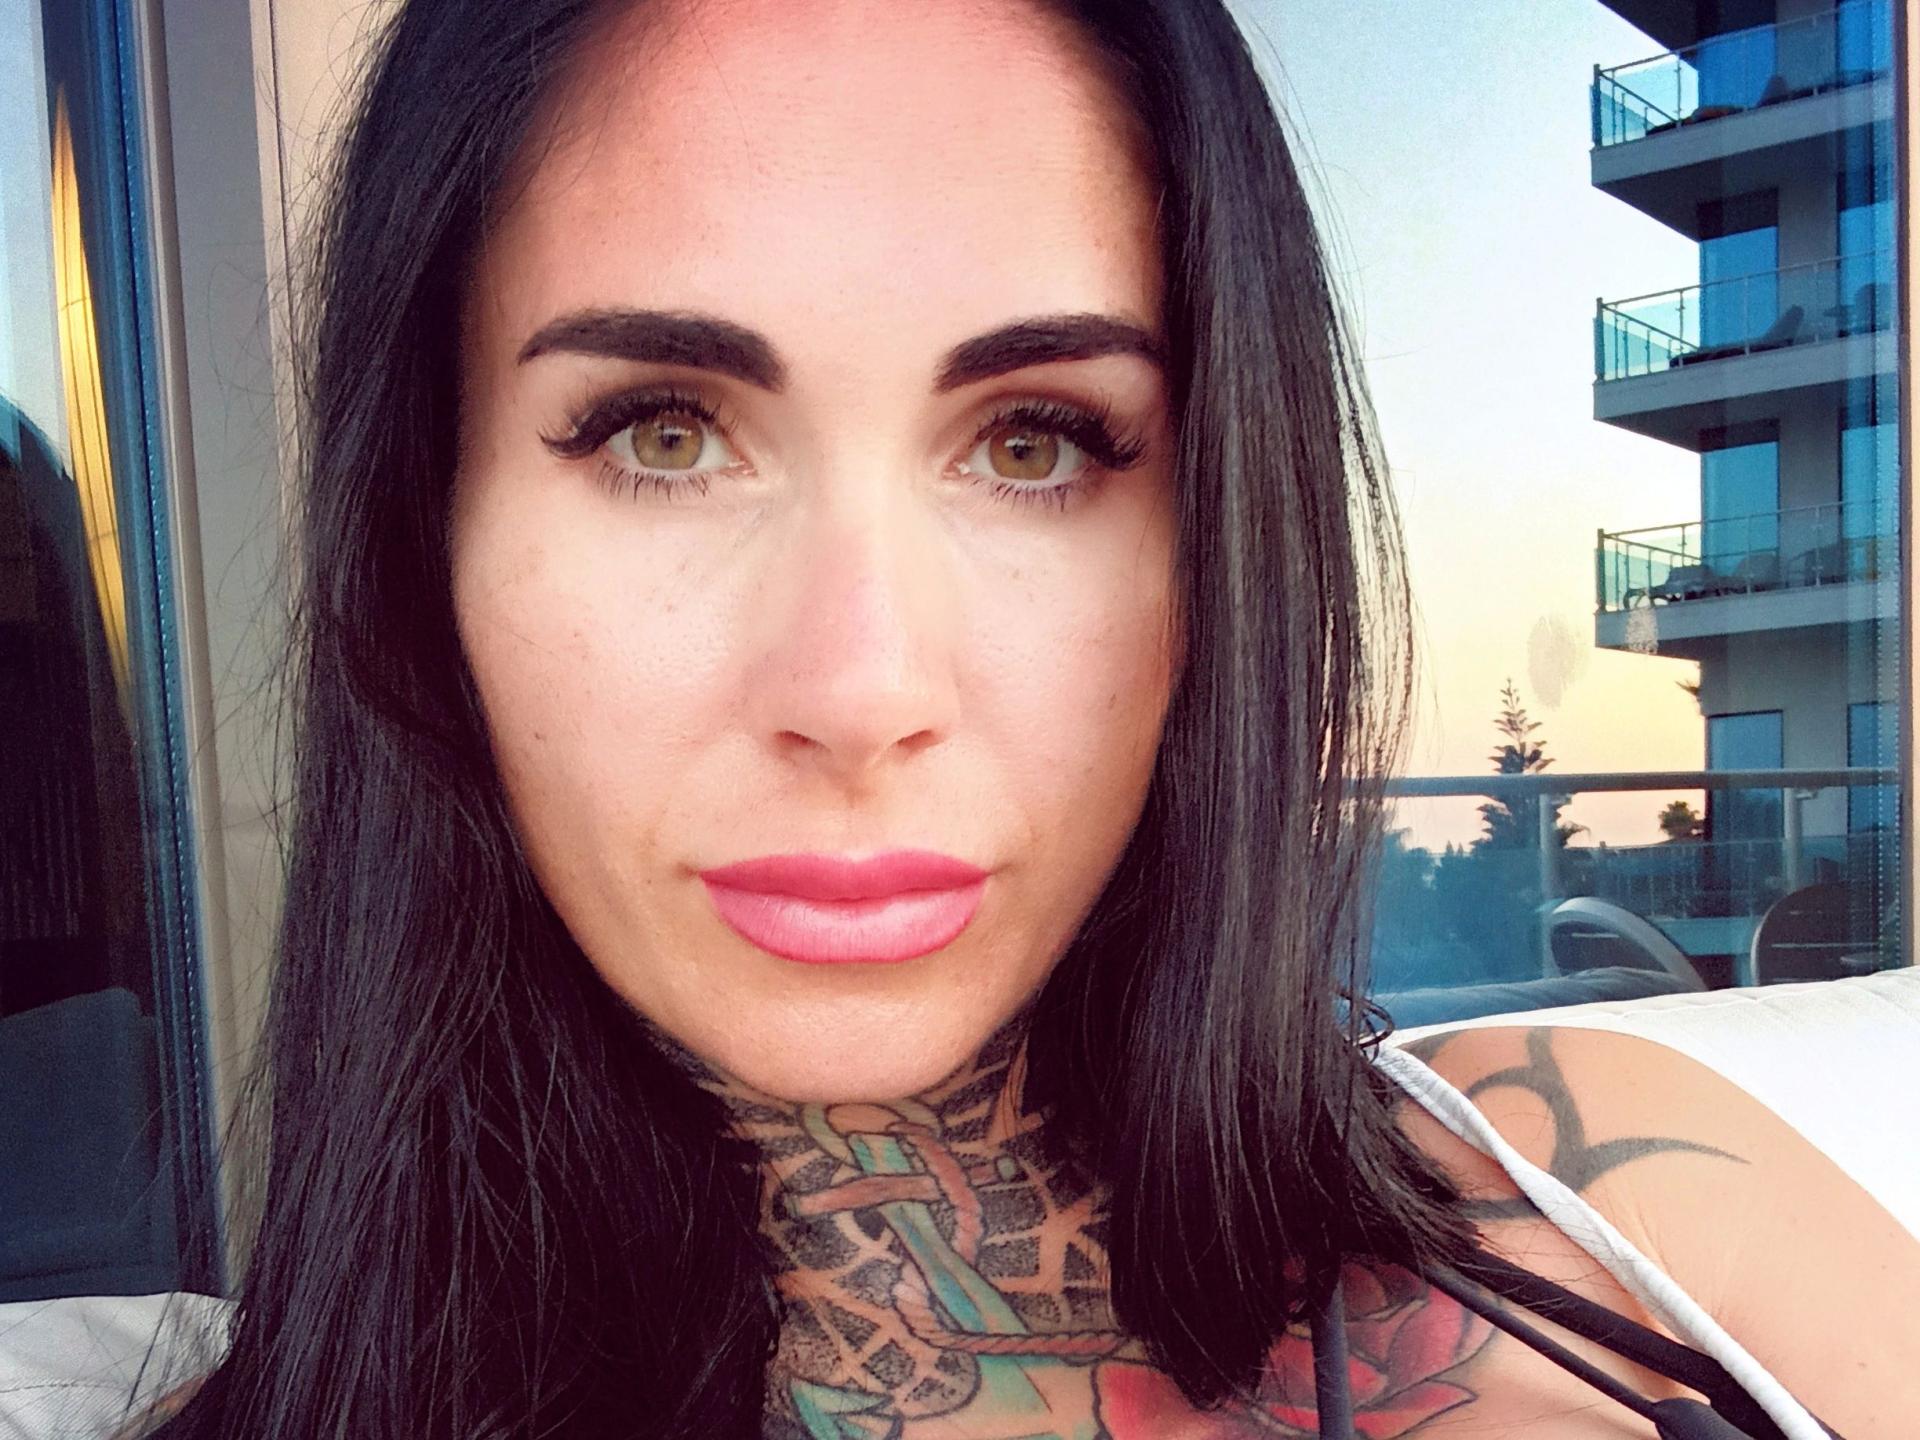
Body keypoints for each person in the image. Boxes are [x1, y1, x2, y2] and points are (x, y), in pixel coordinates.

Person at [124, 0, 1920, 1436]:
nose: (862, 690)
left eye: (1033, 443)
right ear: (424, 541)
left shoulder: (1624, 1185)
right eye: (661, 434)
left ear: (1216, 542)